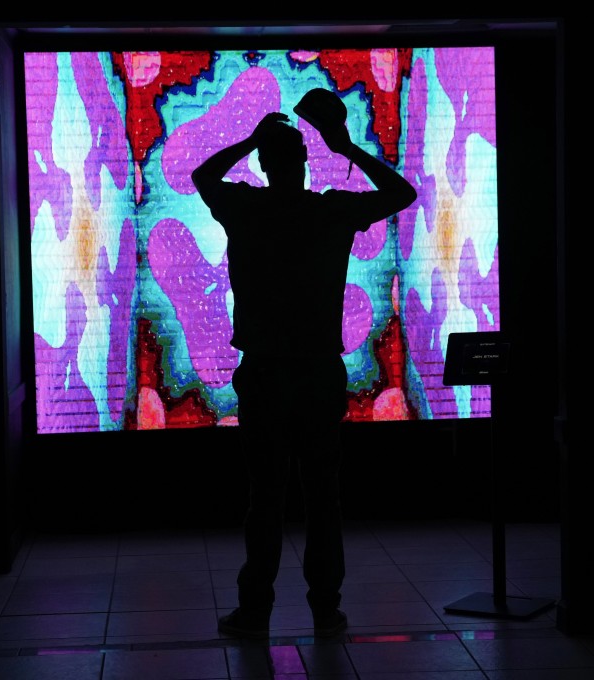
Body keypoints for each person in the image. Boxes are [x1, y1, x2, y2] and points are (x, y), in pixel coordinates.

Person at [191, 93, 417, 639]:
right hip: (318, 372)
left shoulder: (248, 208)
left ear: (265, 164)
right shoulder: (330, 210)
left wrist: (249, 139)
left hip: (266, 373)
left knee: (264, 496)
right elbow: (402, 192)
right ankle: (325, 609)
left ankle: (255, 612)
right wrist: (347, 147)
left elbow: (203, 176)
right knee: (323, 496)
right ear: (307, 161)